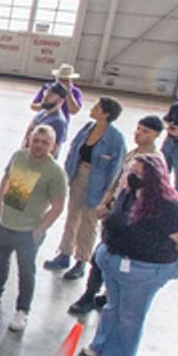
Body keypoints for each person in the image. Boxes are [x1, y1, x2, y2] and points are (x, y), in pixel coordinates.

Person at [83, 153, 178, 356]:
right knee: (112, 307)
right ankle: (101, 345)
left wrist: (153, 252)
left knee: (130, 316)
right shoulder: (128, 194)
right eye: (128, 172)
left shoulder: (167, 206)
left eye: (136, 174)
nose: (130, 177)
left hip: (142, 270)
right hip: (115, 261)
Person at [0, 125, 67, 332]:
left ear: (53, 146)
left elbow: (58, 206)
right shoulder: (19, 156)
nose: (39, 146)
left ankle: (22, 310)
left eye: (44, 143)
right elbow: (6, 178)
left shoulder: (55, 173)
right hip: (6, 222)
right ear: (29, 140)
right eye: (36, 140)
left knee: (26, 271)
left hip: (28, 231)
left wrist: (39, 230)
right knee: (0, 259)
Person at [68, 114, 165, 315]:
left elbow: (154, 195)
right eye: (138, 128)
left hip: (132, 219)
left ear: (156, 135)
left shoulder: (155, 162)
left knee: (105, 259)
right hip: (117, 211)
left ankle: (95, 296)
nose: (139, 133)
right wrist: (106, 203)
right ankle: (99, 294)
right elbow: (118, 180)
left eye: (145, 131)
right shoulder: (133, 153)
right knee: (102, 258)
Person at [43, 97, 126, 280]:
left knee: (88, 222)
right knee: (72, 216)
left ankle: (81, 260)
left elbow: (116, 168)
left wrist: (107, 194)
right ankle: (64, 253)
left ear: (105, 114)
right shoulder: (87, 129)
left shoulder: (115, 139)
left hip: (98, 182)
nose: (93, 109)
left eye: (97, 107)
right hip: (78, 175)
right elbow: (74, 152)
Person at [26, 83, 71, 157]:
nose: (46, 96)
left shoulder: (58, 122)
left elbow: (53, 150)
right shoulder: (41, 113)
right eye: (47, 92)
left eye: (51, 94)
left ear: (60, 100)